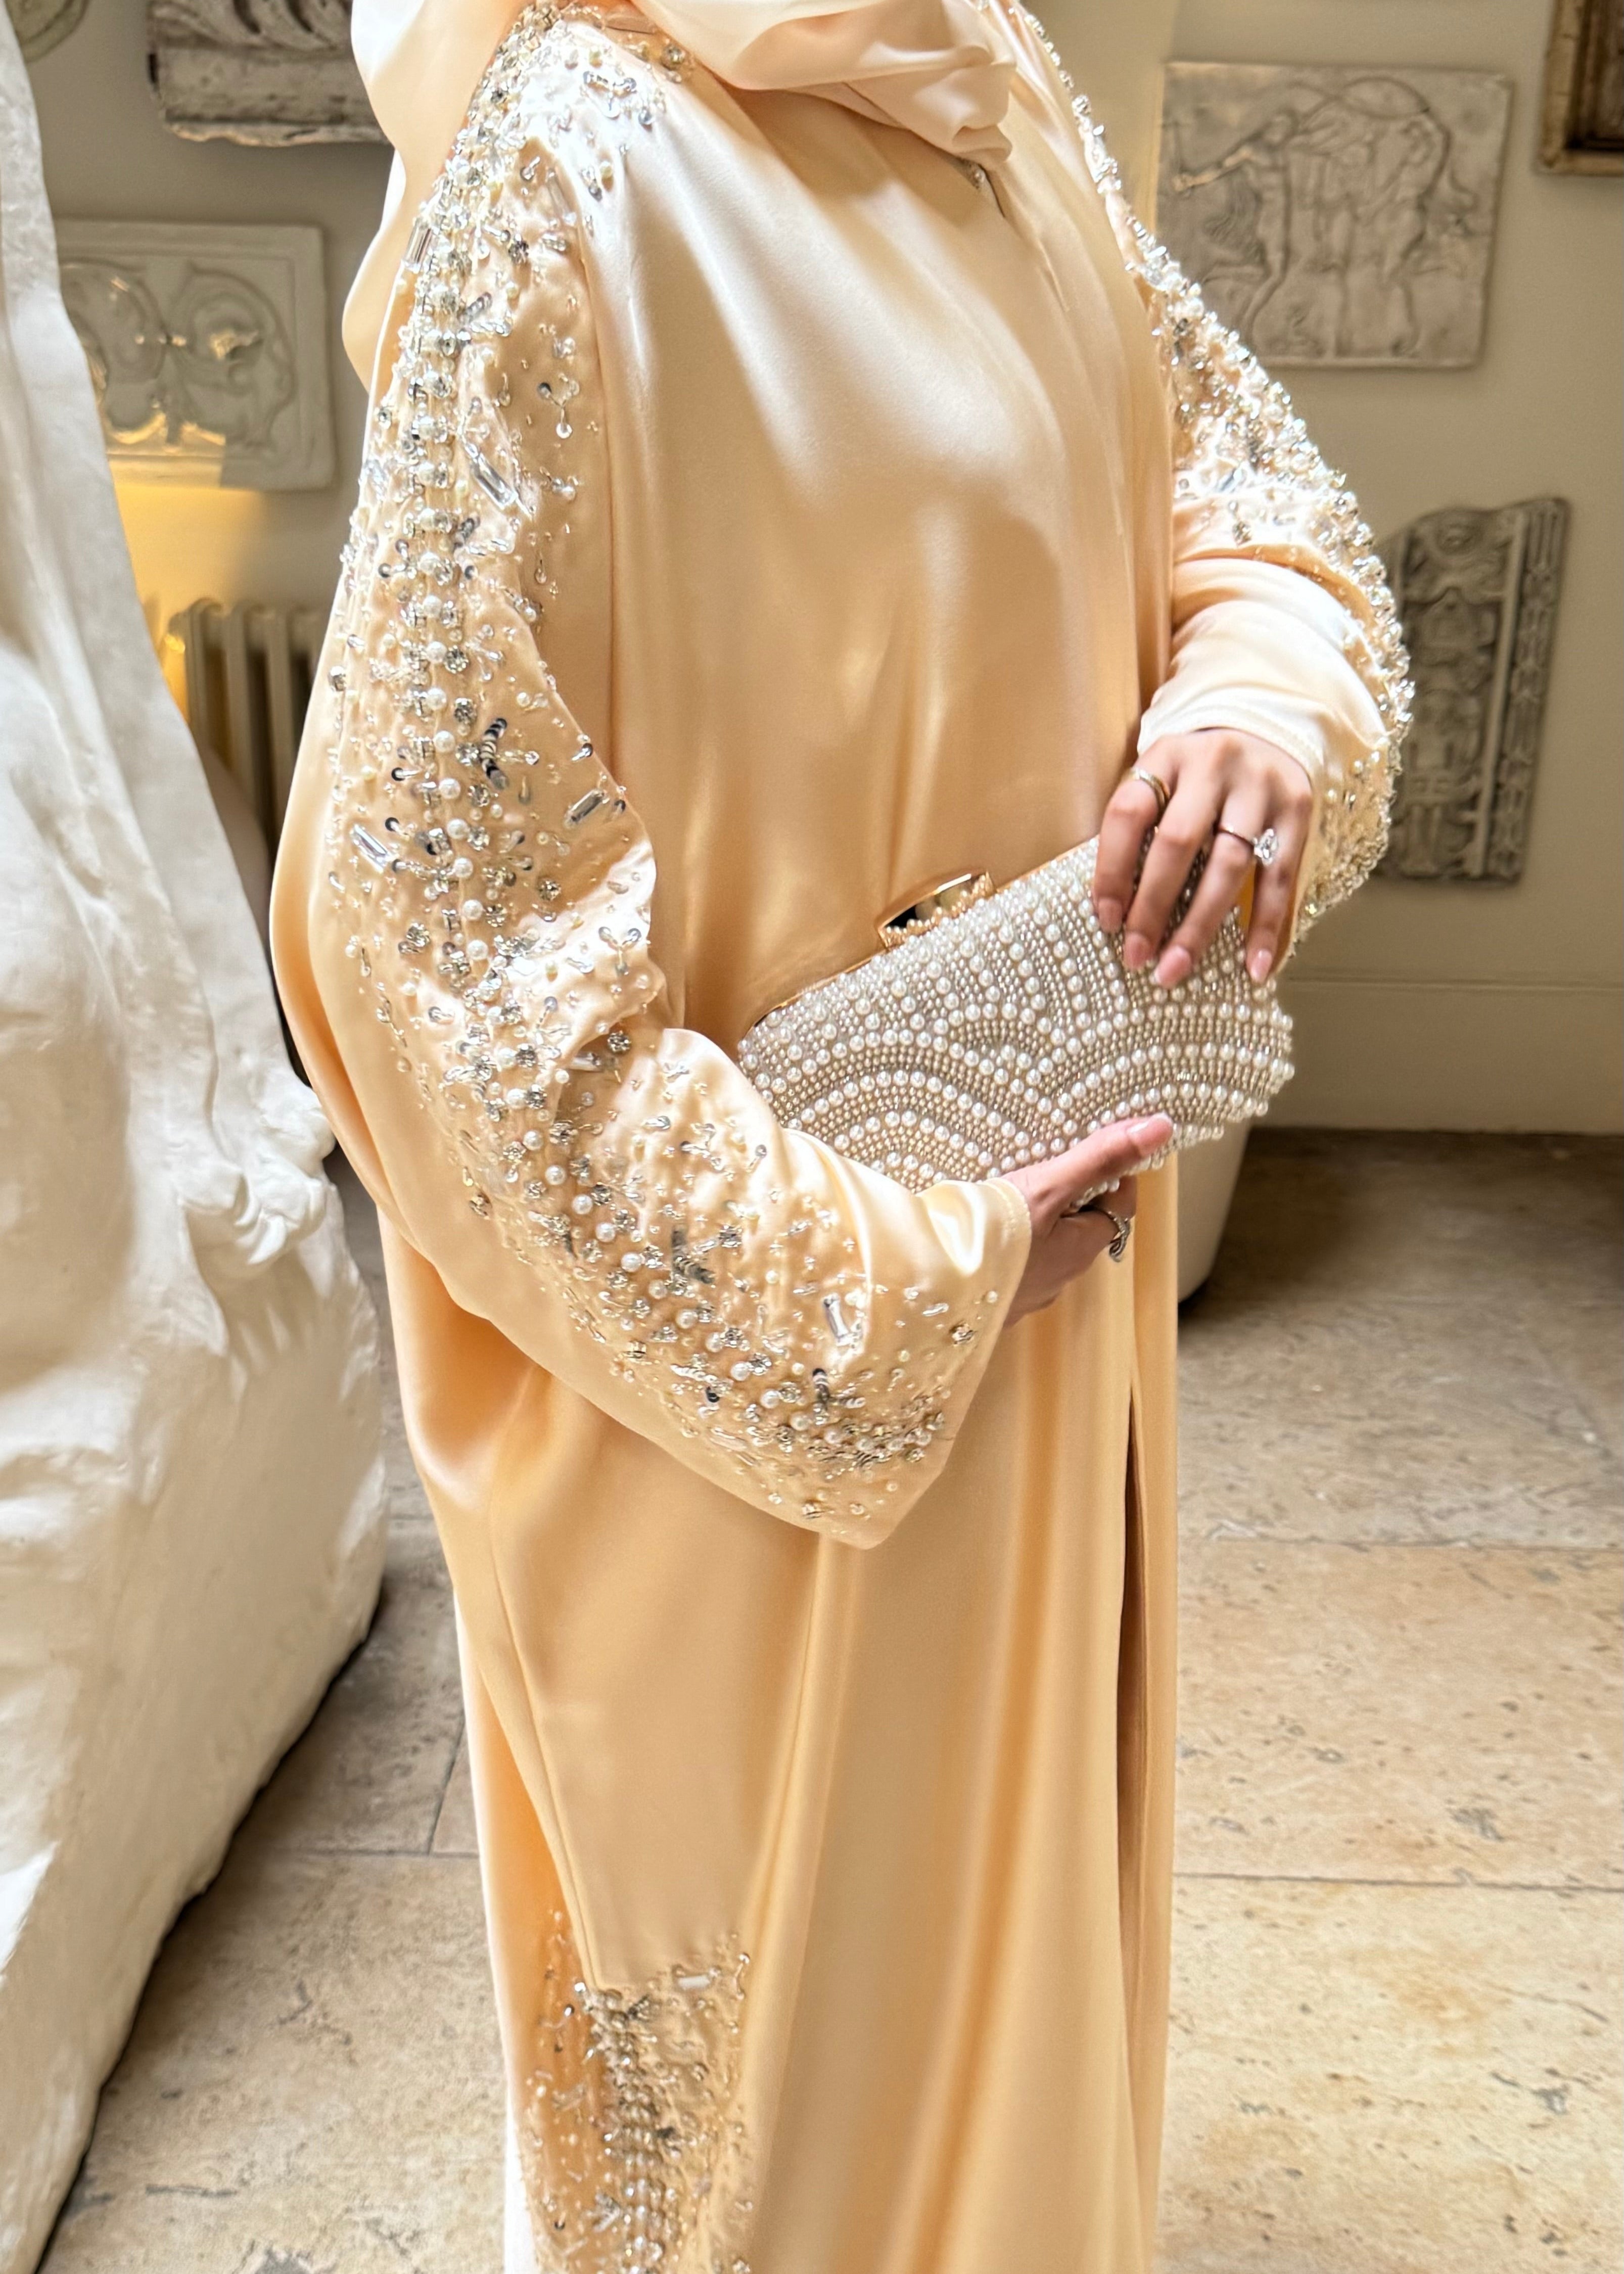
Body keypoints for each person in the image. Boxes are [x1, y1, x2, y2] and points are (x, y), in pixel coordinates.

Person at [270, 1, 1408, 2264]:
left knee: (1007, 1964)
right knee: (800, 2053)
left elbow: (1243, 495)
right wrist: (900, 1266)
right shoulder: (573, 168)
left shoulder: (986, 82)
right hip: (764, 1386)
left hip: (1041, 1293)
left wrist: (1263, 692)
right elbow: (424, 956)